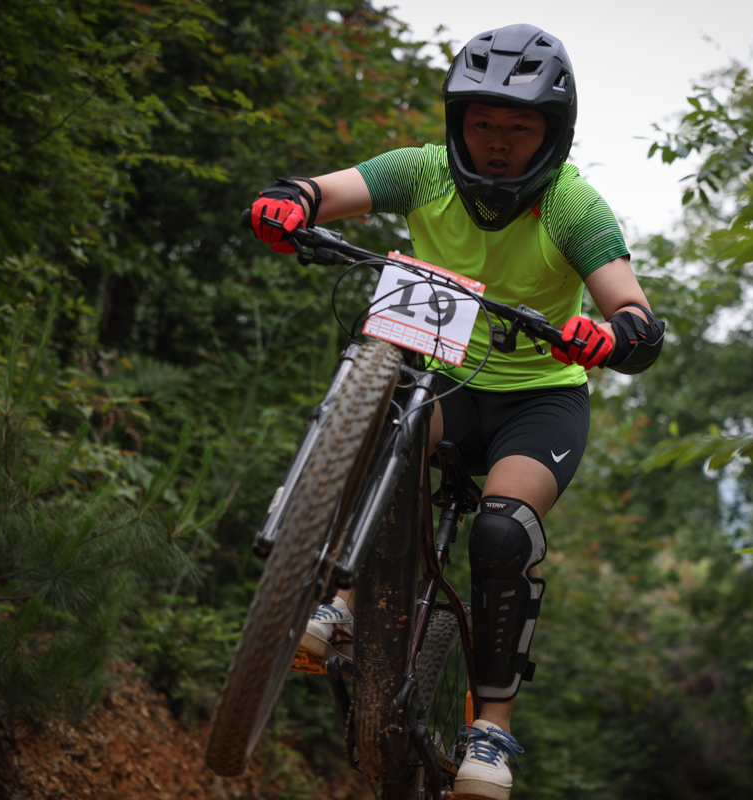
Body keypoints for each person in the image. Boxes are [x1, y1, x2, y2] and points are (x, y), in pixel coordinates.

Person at [245, 23, 664, 800]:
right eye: (482, 123)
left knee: (503, 531)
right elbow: (323, 190)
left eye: (518, 127)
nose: (497, 143)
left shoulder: (571, 205)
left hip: (538, 404)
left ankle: (493, 729)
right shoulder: (424, 172)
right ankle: (337, 600)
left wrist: (607, 336)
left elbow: (631, 310)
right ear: (456, 121)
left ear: (550, 135)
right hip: (445, 385)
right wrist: (288, 202)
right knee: (381, 422)